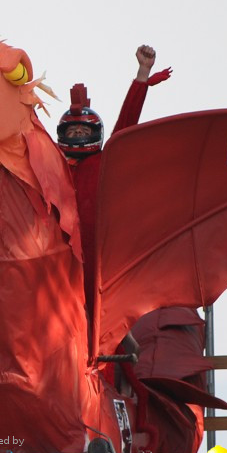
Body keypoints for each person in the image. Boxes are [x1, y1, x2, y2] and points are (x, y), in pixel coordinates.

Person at [57, 44, 171, 316]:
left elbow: (127, 123)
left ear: (95, 133)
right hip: (61, 261)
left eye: (82, 129)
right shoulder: (51, 165)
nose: (77, 134)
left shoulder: (107, 161)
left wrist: (143, 73)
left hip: (103, 257)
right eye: (71, 130)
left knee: (105, 322)